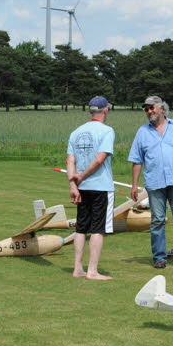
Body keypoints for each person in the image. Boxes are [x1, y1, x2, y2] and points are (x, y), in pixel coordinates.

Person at [129, 95, 173, 269]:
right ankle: (159, 257)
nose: (149, 111)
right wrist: (134, 185)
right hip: (154, 182)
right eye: (146, 109)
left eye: (152, 107)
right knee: (157, 220)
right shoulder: (142, 132)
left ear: (162, 108)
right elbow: (137, 160)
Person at [65, 95, 115, 280]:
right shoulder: (107, 131)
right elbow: (100, 159)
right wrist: (82, 176)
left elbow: (70, 160)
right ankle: (92, 271)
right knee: (98, 228)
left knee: (81, 227)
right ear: (105, 110)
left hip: (81, 187)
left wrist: (73, 184)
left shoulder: (76, 132)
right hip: (100, 186)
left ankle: (77, 268)